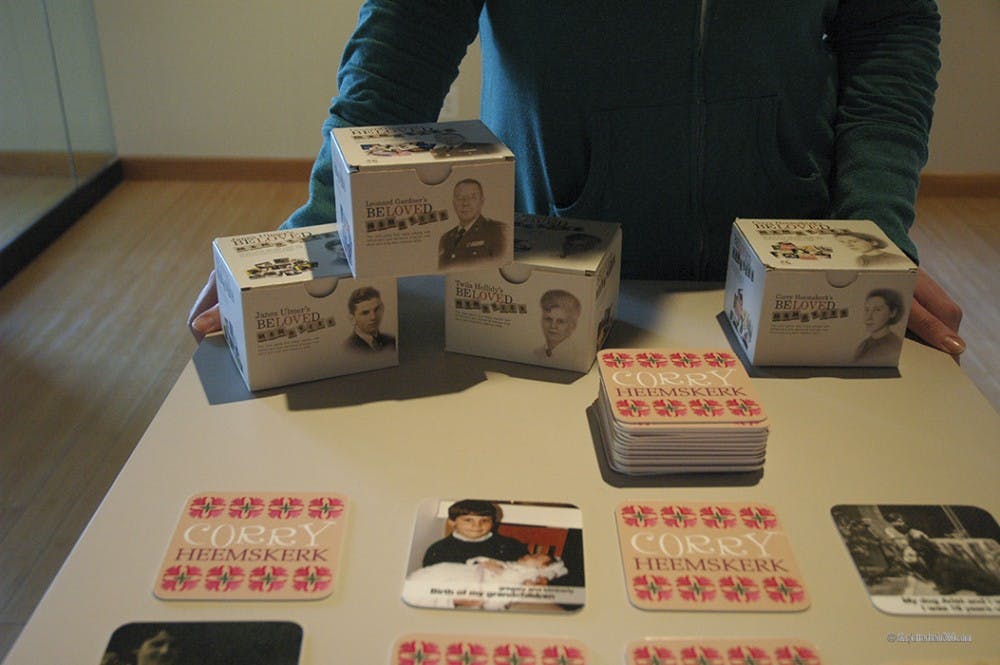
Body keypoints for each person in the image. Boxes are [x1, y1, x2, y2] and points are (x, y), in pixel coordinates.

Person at [189, 2, 964, 363]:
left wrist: (873, 231)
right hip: (547, 283)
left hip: (794, 281)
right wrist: (325, 231)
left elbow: (888, 21)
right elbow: (408, 32)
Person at [404, 552, 568, 610]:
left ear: (542, 569)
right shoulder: (512, 565)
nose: (529, 554)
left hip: (476, 585)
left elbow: (502, 596)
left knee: (430, 587)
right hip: (469, 572)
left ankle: (411, 592)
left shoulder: (527, 577)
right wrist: (488, 563)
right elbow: (477, 561)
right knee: (441, 570)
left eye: (536, 557)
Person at [422, 499, 529, 567]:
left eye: (484, 520)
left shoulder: (511, 546)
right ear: (452, 522)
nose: (477, 526)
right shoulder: (439, 550)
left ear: (493, 522)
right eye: (468, 520)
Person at [438, 178, 507, 268]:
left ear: (482, 201)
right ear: (453, 203)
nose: (465, 203)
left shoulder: (497, 231)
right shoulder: (445, 239)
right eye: (459, 198)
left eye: (472, 197)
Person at [853, 288, 904, 365]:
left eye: (877, 310)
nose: (868, 317)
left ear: (893, 312)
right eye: (867, 310)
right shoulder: (864, 344)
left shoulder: (893, 347)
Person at [345, 285, 396, 352]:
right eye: (365, 313)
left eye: (376, 309)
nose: (373, 317)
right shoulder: (348, 347)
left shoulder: (392, 341)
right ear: (352, 319)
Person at [534, 290, 581, 361]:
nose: (553, 326)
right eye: (548, 319)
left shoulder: (576, 357)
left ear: (573, 326)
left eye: (560, 321)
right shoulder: (536, 354)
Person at [833, 230, 911, 267]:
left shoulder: (895, 259)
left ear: (873, 242)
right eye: (844, 242)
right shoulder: (859, 259)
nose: (849, 245)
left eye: (853, 241)